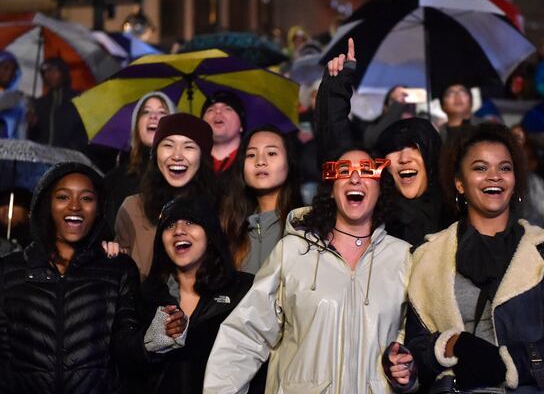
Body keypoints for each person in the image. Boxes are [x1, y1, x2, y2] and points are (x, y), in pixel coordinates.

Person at [399, 123, 544, 393]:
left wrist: (509, 363)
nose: (494, 176)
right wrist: (450, 344)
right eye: (480, 168)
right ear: (459, 183)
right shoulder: (429, 255)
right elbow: (415, 349)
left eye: (504, 168)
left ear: (515, 180)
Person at [204, 147, 416, 393]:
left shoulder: (403, 257)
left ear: (380, 188)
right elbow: (246, 335)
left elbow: (412, 346)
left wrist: (409, 374)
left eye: (366, 172)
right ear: (332, 189)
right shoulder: (293, 252)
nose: (355, 178)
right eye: (344, 171)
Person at [0, 162, 141, 393]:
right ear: (47, 204)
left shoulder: (118, 270)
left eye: (86, 198)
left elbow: (126, 354)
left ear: (99, 209)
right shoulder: (9, 271)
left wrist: (155, 340)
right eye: (63, 197)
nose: (75, 206)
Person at [127, 196, 265, 393]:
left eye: (190, 222)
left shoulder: (243, 290)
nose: (179, 231)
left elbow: (262, 365)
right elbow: (125, 365)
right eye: (170, 225)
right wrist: (148, 344)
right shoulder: (145, 297)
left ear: (210, 234)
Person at [319, 38, 446, 245]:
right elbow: (340, 151)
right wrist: (336, 87)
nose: (404, 158)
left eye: (414, 147)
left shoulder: (459, 216)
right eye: (395, 150)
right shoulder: (373, 220)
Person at [114, 112, 215, 280]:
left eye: (188, 147)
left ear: (202, 157)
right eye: (168, 145)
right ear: (155, 154)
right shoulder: (132, 208)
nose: (176, 155)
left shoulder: (221, 207)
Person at [219, 125, 302, 274]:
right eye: (251, 155)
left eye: (271, 153)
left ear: (289, 162)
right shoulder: (228, 227)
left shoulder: (305, 226)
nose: (260, 161)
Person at [104, 91, 176, 229]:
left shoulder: (183, 178)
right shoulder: (115, 180)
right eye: (146, 111)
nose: (154, 116)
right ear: (136, 126)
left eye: (162, 112)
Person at [27, 57, 88, 151]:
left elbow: (84, 131)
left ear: (63, 72)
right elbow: (33, 138)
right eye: (44, 72)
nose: (48, 75)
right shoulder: (40, 103)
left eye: (52, 70)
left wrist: (73, 147)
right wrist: (32, 125)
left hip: (70, 158)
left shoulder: (79, 99)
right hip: (43, 157)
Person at [201, 90, 245, 173]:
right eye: (210, 110)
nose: (218, 112)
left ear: (241, 125)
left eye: (227, 109)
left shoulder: (251, 162)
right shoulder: (192, 164)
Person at [0, 51, 28, 139]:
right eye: (5, 67)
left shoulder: (20, 100)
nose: (9, 73)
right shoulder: (15, 98)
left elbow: (21, 134)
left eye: (13, 69)